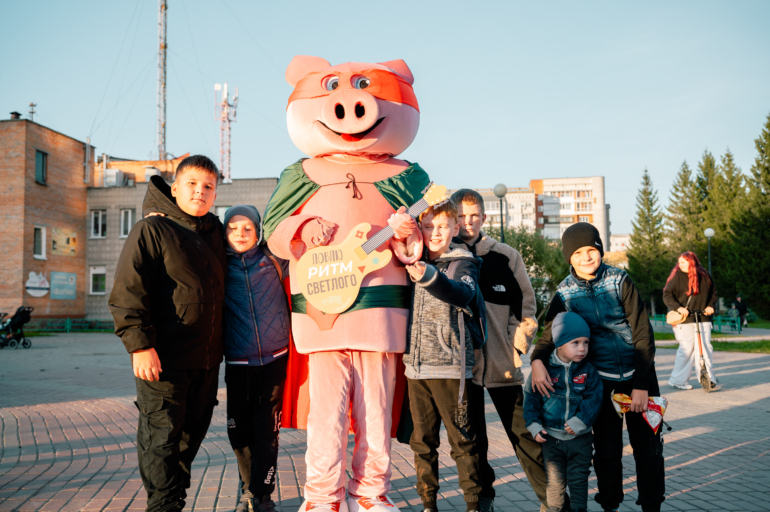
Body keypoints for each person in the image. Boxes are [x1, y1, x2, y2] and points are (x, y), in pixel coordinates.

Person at [109, 155, 227, 512]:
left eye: (208, 187)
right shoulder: (151, 229)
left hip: (206, 361)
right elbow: (128, 291)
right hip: (163, 359)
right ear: (175, 188)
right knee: (161, 438)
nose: (200, 192)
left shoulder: (214, 233)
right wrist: (139, 345)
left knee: (191, 435)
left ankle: (173, 498)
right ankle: (163, 505)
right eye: (192, 184)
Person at [529, 222, 664, 512]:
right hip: (600, 381)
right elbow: (549, 333)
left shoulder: (619, 280)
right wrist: (537, 361)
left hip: (639, 374)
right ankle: (610, 504)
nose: (586, 257)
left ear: (601, 250)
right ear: (569, 257)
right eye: (578, 252)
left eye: (592, 249)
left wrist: (641, 384)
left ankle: (652, 505)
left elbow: (643, 332)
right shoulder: (565, 293)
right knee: (606, 451)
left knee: (648, 449)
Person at [450, 189, 550, 512]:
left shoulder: (506, 255)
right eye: (462, 216)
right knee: (472, 440)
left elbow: (527, 306)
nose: (468, 222)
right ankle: (482, 499)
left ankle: (552, 498)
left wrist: (516, 344)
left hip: (502, 363)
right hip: (463, 368)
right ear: (453, 218)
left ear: (484, 217)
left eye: (474, 215)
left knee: (523, 434)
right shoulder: (444, 256)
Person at [403, 200, 485, 512]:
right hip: (416, 369)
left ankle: (472, 504)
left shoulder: (463, 262)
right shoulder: (410, 259)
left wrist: (428, 276)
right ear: (419, 230)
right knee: (422, 442)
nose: (435, 233)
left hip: (450, 367)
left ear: (454, 229)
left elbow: (461, 293)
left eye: (442, 226)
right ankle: (428, 504)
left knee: (462, 441)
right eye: (428, 226)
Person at [222, 205, 291, 512]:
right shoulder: (219, 265)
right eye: (233, 228)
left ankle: (261, 496)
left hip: (274, 360)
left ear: (258, 230)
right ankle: (248, 486)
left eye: (247, 228)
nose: (240, 234)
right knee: (239, 431)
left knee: (267, 432)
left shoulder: (273, 259)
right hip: (237, 363)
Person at [524, 312, 603, 512]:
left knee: (578, 483)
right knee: (555, 486)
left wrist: (581, 421)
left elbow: (594, 398)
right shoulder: (544, 370)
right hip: (551, 440)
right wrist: (533, 425)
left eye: (585, 342)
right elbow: (530, 399)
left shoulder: (588, 371)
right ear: (559, 343)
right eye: (575, 342)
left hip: (580, 439)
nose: (582, 348)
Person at [662, 251, 718, 390]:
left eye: (683, 262)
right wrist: (679, 308)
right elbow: (667, 295)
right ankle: (678, 380)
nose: (679, 265)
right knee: (687, 349)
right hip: (685, 319)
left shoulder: (704, 275)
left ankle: (708, 378)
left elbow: (714, 292)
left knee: (705, 348)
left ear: (691, 261)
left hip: (703, 317)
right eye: (679, 262)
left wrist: (710, 306)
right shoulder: (677, 277)